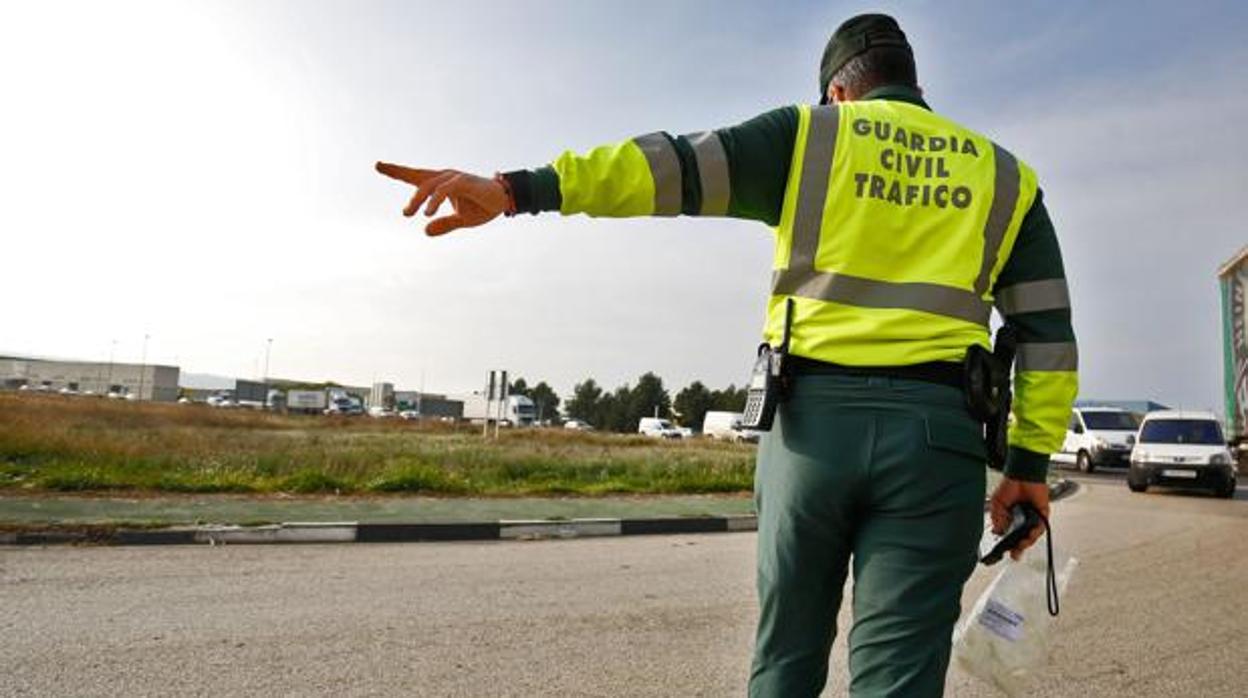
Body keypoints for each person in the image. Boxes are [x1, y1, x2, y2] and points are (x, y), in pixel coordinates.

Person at [377, 13, 1076, 697]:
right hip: (938, 443)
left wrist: (515, 191)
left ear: (837, 91)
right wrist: (1028, 465)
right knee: (900, 677)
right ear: (912, 83)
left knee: (787, 655)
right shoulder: (1006, 179)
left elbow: (664, 168)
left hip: (811, 433)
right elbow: (1047, 338)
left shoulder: (809, 138)